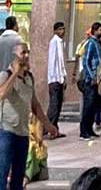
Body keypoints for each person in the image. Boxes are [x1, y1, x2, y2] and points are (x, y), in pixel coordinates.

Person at [0, 42, 59, 190]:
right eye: (23, 53)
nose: (26, 56)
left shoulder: (29, 78)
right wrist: (15, 73)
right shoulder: (5, 75)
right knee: (2, 174)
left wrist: (48, 125)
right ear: (15, 56)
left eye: (28, 52)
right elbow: (2, 94)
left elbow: (35, 105)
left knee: (18, 176)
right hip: (6, 131)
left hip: (23, 133)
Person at [79, 23, 101, 141]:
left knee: (94, 106)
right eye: (100, 30)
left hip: (97, 80)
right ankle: (84, 131)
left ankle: (89, 129)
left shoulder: (98, 43)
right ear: (95, 31)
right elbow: (86, 61)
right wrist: (92, 76)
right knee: (88, 106)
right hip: (90, 81)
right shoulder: (91, 43)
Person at [45, 23, 66, 136]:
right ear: (55, 31)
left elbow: (61, 63)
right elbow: (52, 61)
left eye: (63, 29)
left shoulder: (61, 42)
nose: (62, 31)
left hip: (60, 78)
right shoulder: (54, 42)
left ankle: (55, 129)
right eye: (60, 29)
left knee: (58, 106)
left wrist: (63, 77)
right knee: (54, 105)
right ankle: (47, 129)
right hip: (54, 79)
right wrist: (53, 79)